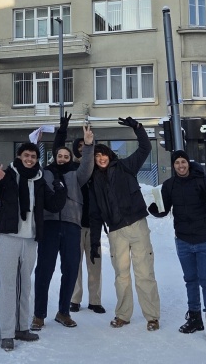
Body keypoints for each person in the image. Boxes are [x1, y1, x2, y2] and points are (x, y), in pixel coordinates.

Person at [0, 142, 67, 352]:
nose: (30, 159)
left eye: (33, 157)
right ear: (19, 156)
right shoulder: (8, 175)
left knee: (25, 285)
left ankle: (21, 328)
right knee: (9, 285)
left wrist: (60, 188)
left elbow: (53, 205)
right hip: (8, 236)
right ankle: (7, 333)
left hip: (30, 240)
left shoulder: (39, 180)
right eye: (26, 155)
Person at [89, 116, 161, 331]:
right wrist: (94, 241)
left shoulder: (125, 166)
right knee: (121, 276)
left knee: (144, 273)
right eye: (96, 156)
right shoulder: (94, 180)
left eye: (103, 154)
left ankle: (152, 316)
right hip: (116, 232)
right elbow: (95, 213)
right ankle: (123, 315)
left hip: (137, 225)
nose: (101, 158)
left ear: (109, 155)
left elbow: (145, 148)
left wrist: (137, 128)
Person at [148, 149, 206, 342]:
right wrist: (155, 210)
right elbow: (164, 209)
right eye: (177, 163)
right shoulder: (170, 185)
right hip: (183, 240)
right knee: (190, 280)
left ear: (188, 163)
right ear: (173, 165)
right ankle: (195, 318)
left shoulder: (203, 180)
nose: (180, 166)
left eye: (183, 162)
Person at [32, 122, 95, 330]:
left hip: (71, 225)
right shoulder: (45, 173)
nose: (62, 158)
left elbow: (88, 166)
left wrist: (88, 145)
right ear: (55, 157)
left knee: (70, 269)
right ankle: (39, 315)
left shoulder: (76, 174)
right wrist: (35, 144)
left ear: (70, 158)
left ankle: (63, 312)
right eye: (59, 156)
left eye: (66, 156)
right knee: (44, 270)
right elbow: (31, 166)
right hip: (49, 224)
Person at [52, 114, 106, 316]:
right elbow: (57, 151)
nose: (83, 148)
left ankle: (95, 300)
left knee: (95, 263)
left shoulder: (98, 168)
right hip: (75, 223)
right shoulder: (72, 169)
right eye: (79, 146)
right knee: (74, 263)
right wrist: (62, 130)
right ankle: (75, 299)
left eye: (86, 145)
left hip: (94, 223)